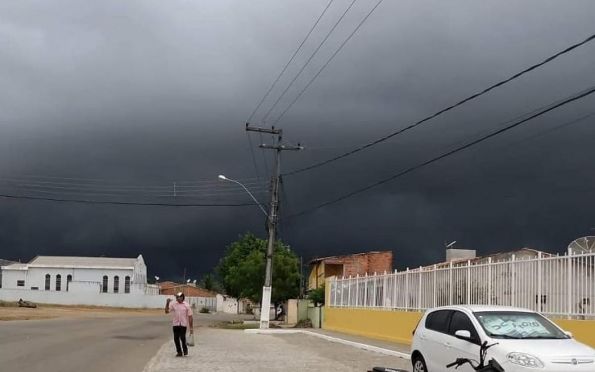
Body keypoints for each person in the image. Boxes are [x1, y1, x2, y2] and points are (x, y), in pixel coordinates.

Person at [165, 292, 194, 357]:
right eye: (177, 297)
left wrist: (191, 328)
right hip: (175, 324)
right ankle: (179, 352)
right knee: (176, 339)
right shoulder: (173, 304)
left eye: (180, 297)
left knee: (182, 338)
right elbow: (166, 311)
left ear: (183, 297)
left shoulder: (187, 305)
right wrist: (167, 303)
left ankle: (185, 350)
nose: (178, 298)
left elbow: (190, 317)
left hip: (183, 324)